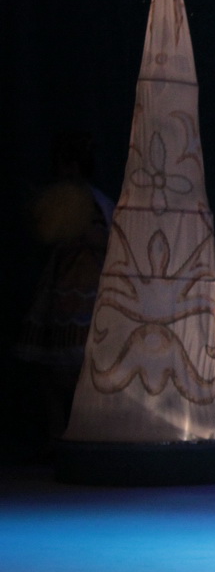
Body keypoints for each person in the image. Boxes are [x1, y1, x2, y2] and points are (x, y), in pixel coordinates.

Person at [14, 130, 114, 443]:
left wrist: (79, 234)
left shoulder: (95, 203)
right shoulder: (65, 199)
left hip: (86, 291)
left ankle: (88, 439)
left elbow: (104, 240)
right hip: (63, 290)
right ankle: (58, 439)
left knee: (81, 371)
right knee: (53, 372)